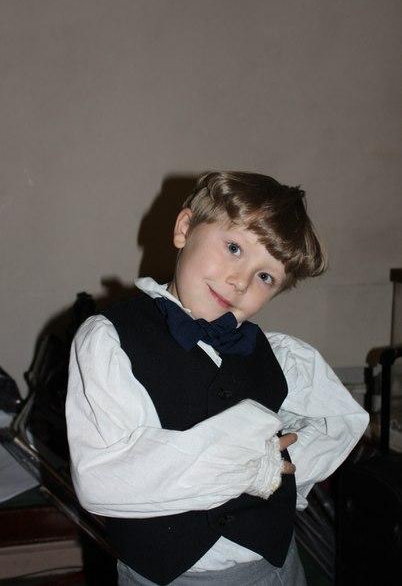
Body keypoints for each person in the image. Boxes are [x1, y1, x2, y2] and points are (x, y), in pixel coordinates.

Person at [66, 171, 368, 586]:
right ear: (184, 228)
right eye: (233, 248)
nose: (240, 281)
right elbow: (104, 478)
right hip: (173, 575)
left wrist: (284, 469)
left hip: (276, 565)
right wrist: (250, 466)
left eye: (265, 277)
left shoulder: (277, 354)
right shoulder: (111, 340)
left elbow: (339, 419)